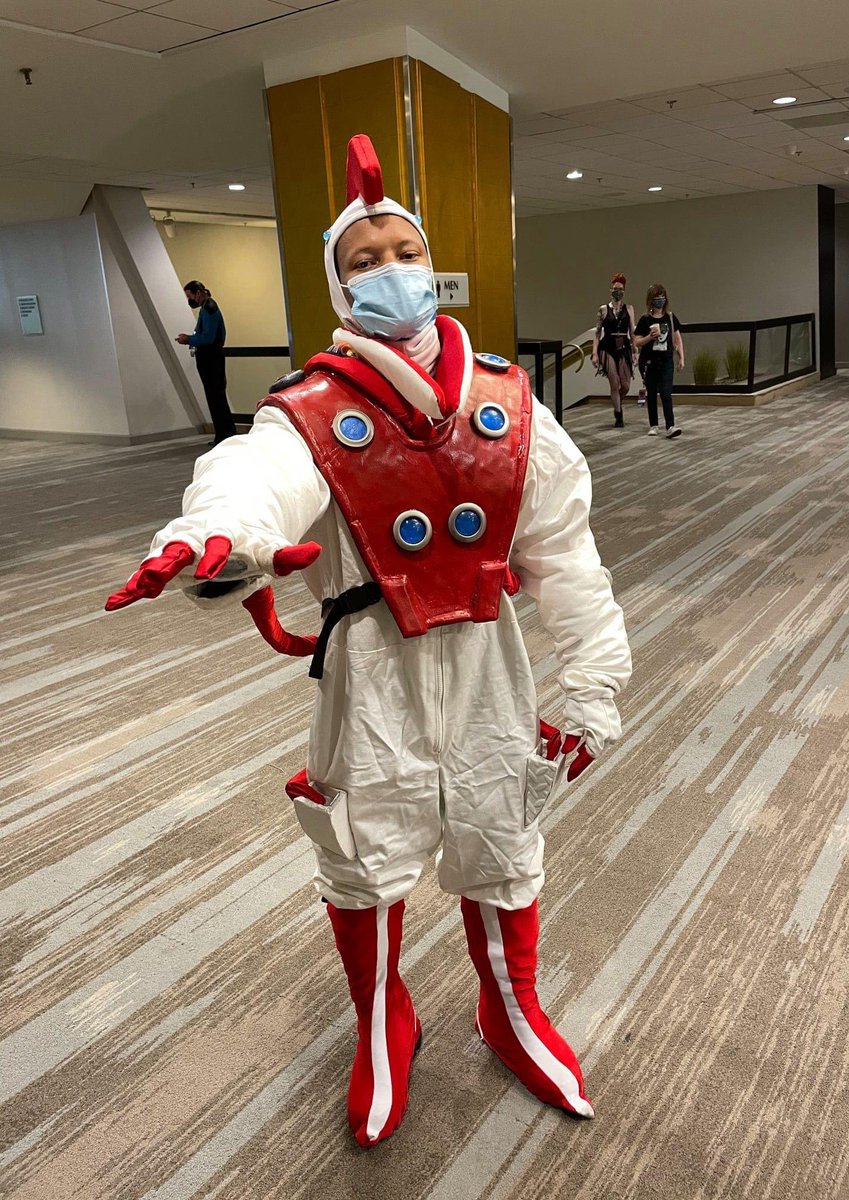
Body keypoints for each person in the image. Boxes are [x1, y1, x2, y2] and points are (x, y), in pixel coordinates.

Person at [107, 135, 631, 1149]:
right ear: (340, 289)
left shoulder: (510, 405)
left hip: (489, 659)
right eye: (363, 259)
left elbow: (568, 556)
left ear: (428, 264)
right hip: (372, 674)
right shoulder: (311, 411)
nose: (390, 269)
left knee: (502, 834)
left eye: (403, 250)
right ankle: (382, 1019)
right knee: (362, 849)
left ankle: (511, 1008)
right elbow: (253, 479)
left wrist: (592, 685)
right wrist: (219, 537)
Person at [176, 281, 236, 445]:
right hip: (210, 358)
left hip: (211, 358)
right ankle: (224, 434)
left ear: (198, 293)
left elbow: (208, 337)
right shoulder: (206, 308)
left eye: (190, 296)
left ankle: (225, 435)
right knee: (215, 396)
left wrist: (188, 339)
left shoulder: (209, 309)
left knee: (216, 397)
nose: (190, 300)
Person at [633, 284, 683, 438]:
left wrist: (681, 357)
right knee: (652, 392)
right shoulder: (645, 319)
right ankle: (653, 424)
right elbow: (637, 341)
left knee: (666, 392)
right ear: (651, 300)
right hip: (649, 361)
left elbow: (677, 338)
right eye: (656, 298)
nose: (660, 301)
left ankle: (670, 425)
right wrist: (649, 337)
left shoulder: (670, 317)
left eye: (662, 297)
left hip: (666, 360)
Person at [591, 273, 636, 428]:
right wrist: (595, 353)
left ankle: (618, 401)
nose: (618, 292)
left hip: (624, 346)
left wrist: (635, 351)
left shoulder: (629, 309)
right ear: (611, 290)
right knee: (614, 381)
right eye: (615, 289)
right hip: (607, 346)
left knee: (625, 385)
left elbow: (632, 331)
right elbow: (597, 333)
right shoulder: (603, 310)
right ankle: (618, 415)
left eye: (621, 289)